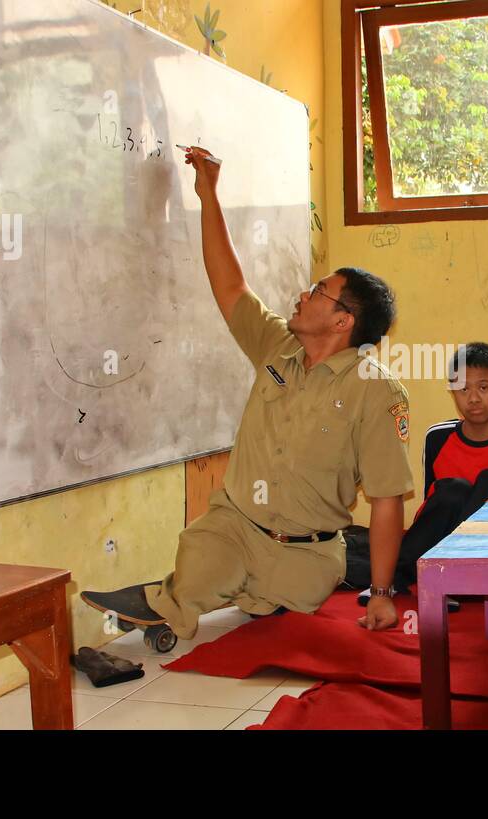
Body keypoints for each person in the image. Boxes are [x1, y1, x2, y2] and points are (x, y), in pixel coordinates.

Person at [82, 146, 415, 634]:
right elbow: (231, 286)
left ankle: (231, 595)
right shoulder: (276, 346)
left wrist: (383, 595)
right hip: (234, 528)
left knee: (283, 614)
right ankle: (177, 597)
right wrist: (208, 193)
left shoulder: (377, 393)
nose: (303, 294)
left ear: (344, 320)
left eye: (318, 291)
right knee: (198, 565)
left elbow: (387, 499)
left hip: (306, 553)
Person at [355, 342, 488, 604]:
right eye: (462, 389)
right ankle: (400, 579)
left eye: (483, 387)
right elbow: (432, 503)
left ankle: (452, 577)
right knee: (452, 489)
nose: (473, 398)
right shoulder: (438, 436)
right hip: (440, 543)